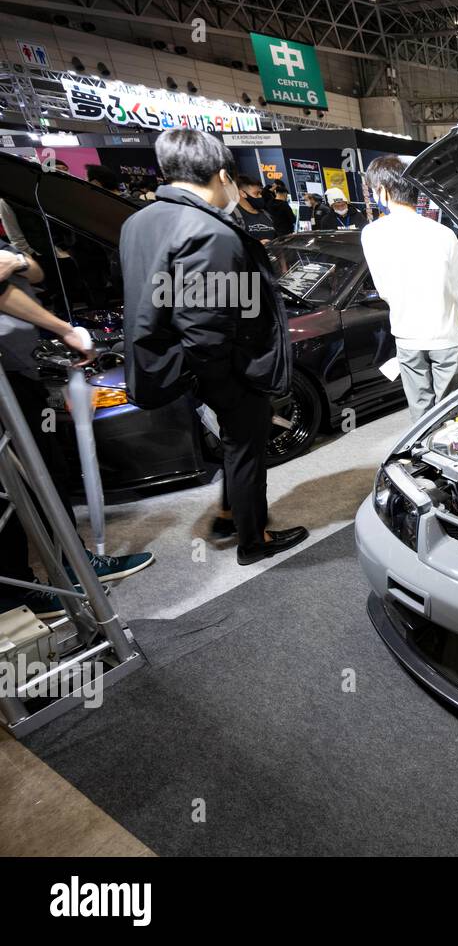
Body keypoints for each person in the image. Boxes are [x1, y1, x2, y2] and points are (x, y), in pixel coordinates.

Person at [118, 128, 306, 565]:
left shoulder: (137, 222)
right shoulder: (210, 232)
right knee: (246, 442)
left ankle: (228, 513)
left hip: (170, 359)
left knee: (234, 442)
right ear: (223, 175)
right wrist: (228, 376)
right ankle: (253, 539)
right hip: (218, 365)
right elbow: (206, 326)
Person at [0, 244, 153, 616]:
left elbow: (34, 271)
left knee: (46, 474)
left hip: (19, 373)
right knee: (15, 487)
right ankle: (24, 593)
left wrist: (16, 261)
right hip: (7, 386)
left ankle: (70, 565)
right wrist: (65, 329)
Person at [360, 156, 458, 421]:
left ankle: (423, 458)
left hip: (407, 333)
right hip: (446, 333)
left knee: (420, 413)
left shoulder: (372, 234)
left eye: (374, 190)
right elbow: (456, 286)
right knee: (452, 413)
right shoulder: (444, 233)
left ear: (383, 190)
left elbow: (382, 288)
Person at [234, 174, 278, 243]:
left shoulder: (266, 214)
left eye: (260, 193)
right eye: (256, 194)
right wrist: (256, 247)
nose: (260, 196)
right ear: (242, 193)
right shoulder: (233, 216)